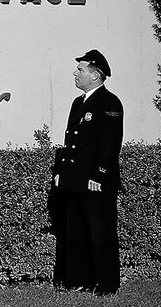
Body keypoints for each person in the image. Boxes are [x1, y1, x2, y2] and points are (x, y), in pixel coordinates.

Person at [51, 49, 123, 294]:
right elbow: (70, 140)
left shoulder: (109, 102)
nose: (75, 73)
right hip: (75, 180)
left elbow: (110, 143)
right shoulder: (78, 102)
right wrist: (61, 171)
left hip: (95, 182)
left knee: (101, 234)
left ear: (95, 75)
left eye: (80, 70)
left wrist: (99, 175)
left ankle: (106, 284)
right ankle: (79, 280)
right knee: (76, 233)